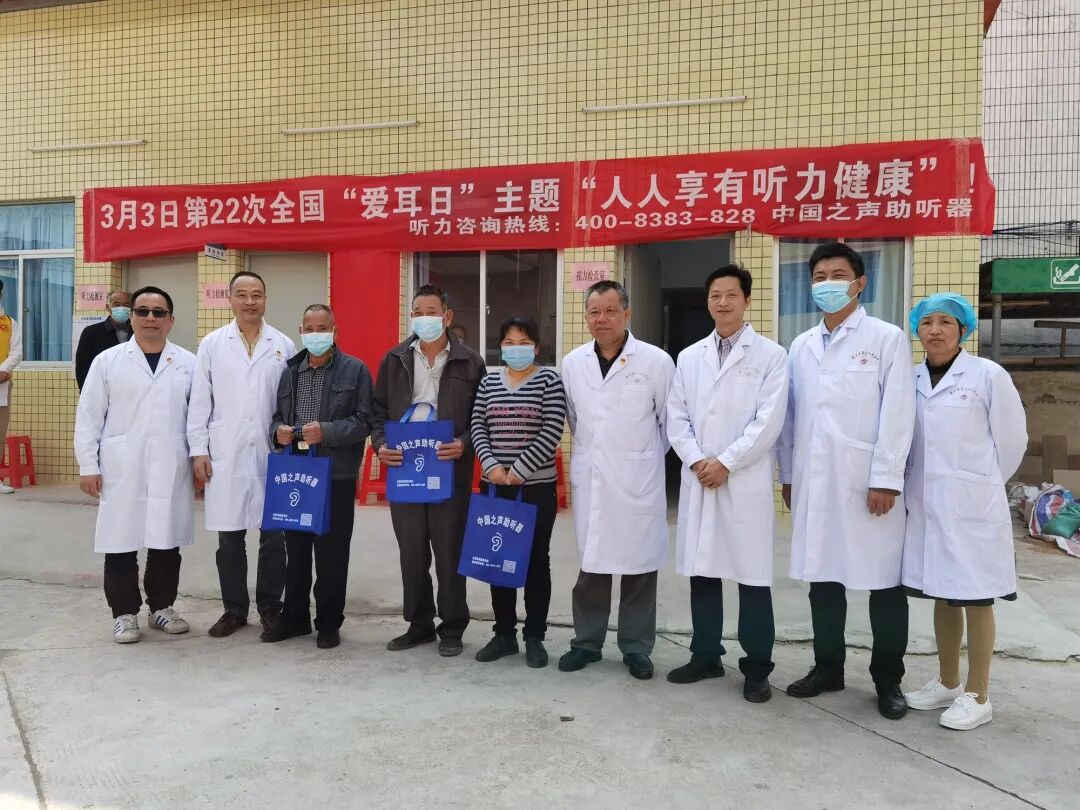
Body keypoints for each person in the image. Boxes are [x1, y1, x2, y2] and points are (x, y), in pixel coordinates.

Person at [777, 241, 916, 719]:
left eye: (838, 275)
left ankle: (888, 679)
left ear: (860, 284)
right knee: (823, 578)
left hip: (867, 483)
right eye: (819, 277)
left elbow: (899, 412)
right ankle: (828, 667)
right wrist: (789, 475)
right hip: (814, 480)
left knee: (884, 583)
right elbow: (791, 418)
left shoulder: (886, 338)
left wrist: (887, 479)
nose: (827, 284)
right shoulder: (801, 345)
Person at [901, 293, 1027, 731]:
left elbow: (1012, 442)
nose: (935, 330)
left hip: (973, 504)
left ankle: (979, 693)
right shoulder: (911, 378)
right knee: (942, 589)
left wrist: (980, 483)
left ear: (963, 329)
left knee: (975, 594)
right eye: (927, 322)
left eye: (945, 322)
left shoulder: (988, 375)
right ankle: (948, 681)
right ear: (917, 329)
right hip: (927, 503)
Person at [666, 265, 788, 702]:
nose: (723, 302)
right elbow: (676, 416)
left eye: (731, 294)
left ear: (747, 301)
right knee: (703, 570)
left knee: (752, 576)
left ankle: (757, 667)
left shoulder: (771, 355)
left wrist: (727, 463)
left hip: (743, 480)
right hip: (701, 476)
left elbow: (768, 422)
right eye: (715, 295)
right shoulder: (689, 356)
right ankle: (705, 655)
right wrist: (699, 460)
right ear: (708, 302)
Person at [558, 280, 675, 680]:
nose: (602, 319)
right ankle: (586, 643)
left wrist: (637, 458)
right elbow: (575, 419)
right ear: (586, 317)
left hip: (637, 479)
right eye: (594, 312)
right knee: (593, 564)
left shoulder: (656, 362)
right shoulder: (573, 363)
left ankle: (636, 647)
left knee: (639, 566)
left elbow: (668, 423)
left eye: (610, 311)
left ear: (627, 314)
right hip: (593, 478)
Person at [73, 286, 196, 643]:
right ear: (131, 317)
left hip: (171, 464)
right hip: (121, 465)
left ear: (171, 320)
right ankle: (124, 613)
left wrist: (199, 458)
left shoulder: (188, 363)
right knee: (120, 540)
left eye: (159, 312)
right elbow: (89, 416)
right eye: (142, 311)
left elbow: (198, 418)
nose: (150, 318)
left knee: (166, 541)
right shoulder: (107, 361)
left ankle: (161, 607)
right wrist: (88, 465)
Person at [372, 284, 486, 657]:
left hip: (448, 466)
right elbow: (377, 411)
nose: (424, 318)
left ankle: (452, 626)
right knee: (412, 552)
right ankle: (419, 624)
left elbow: (481, 415)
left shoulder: (470, 362)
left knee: (449, 550)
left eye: (431, 312)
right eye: (417, 312)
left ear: (447, 316)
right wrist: (380, 445)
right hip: (406, 466)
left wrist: (465, 443)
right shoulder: (394, 359)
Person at [187, 271, 295, 638]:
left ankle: (270, 606)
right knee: (229, 536)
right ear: (230, 299)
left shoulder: (283, 345)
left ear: (266, 299)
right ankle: (234, 609)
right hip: (225, 452)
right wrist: (199, 450)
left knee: (273, 535)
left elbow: (289, 402)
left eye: (257, 294)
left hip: (271, 453)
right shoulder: (213, 344)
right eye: (242, 295)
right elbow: (199, 401)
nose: (250, 301)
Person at [262, 305, 374, 649]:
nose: (316, 334)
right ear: (301, 331)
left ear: (334, 331)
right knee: (295, 551)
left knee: (332, 553)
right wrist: (277, 432)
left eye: (322, 328)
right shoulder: (290, 371)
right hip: (295, 472)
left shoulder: (355, 370)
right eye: (309, 329)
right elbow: (277, 416)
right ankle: (294, 618)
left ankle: (328, 621)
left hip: (334, 473)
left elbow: (364, 421)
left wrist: (326, 431)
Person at [469, 316, 567, 668]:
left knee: (537, 561)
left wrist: (520, 471)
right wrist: (492, 466)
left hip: (536, 488)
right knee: (498, 560)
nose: (516, 349)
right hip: (495, 486)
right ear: (501, 348)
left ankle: (535, 636)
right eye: (509, 343)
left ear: (536, 347)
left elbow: (552, 428)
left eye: (523, 342)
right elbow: (477, 425)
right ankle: (504, 635)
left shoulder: (549, 380)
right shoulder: (489, 382)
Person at [75, 289, 132, 390]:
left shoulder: (138, 332)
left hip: (133, 389)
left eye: (126, 305)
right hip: (103, 389)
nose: (122, 308)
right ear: (108, 307)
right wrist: (86, 392)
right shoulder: (91, 332)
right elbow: (82, 367)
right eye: (116, 304)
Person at [0, 279, 23, 495]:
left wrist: (3, 370)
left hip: (1, 384)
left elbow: (17, 351)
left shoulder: (9, 322)